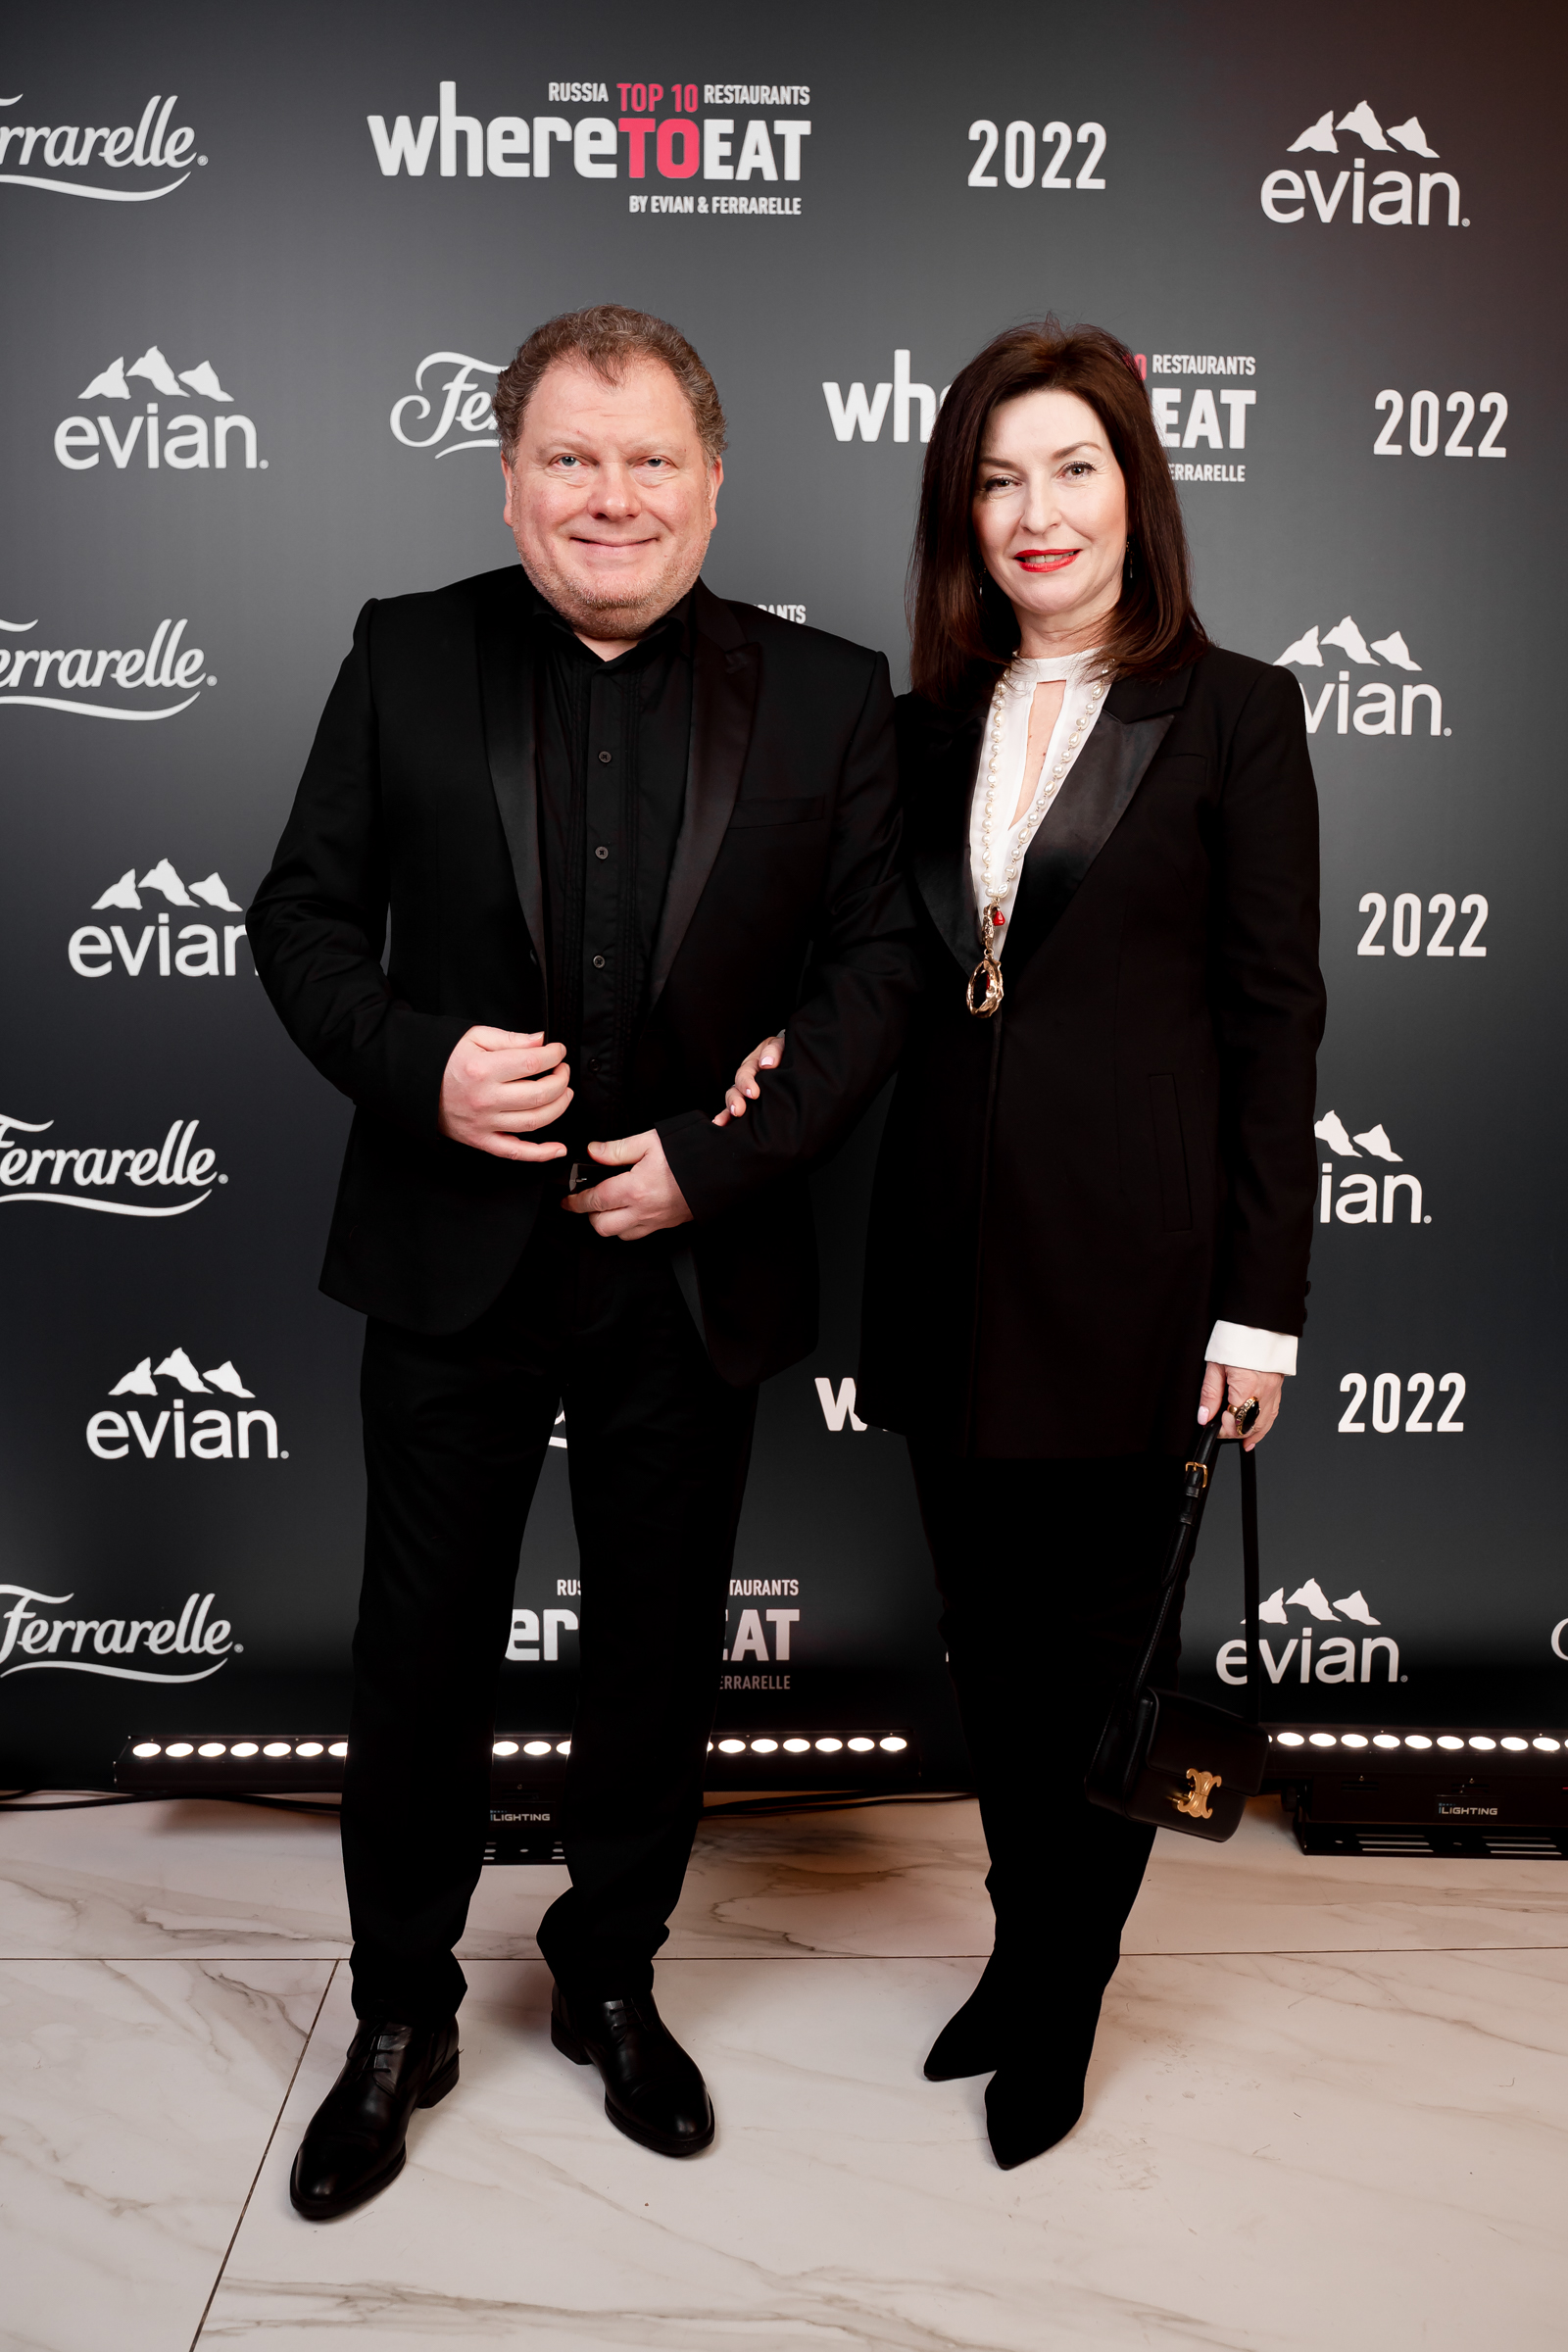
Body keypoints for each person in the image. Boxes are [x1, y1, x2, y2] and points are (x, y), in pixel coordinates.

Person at [248, 305, 918, 2219]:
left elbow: (879, 968)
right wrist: (423, 1069)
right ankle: (401, 2012)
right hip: (446, 1256)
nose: (608, 495)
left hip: (686, 1272)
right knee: (417, 1655)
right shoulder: (403, 654)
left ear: (710, 482)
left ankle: (609, 1975)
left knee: (652, 1652)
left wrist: (716, 1163)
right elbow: (299, 922)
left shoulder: (828, 694)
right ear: (510, 481)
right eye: (568, 457)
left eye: (646, 460)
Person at [722, 319, 1324, 2171]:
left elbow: (1275, 1025)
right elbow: (884, 972)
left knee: (1100, 1665)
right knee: (987, 1649)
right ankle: (1018, 1943)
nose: (1036, 510)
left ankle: (1066, 1990)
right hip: (945, 1264)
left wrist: (1262, 1310)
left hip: (1140, 1283)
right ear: (959, 515)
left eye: (1073, 468)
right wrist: (780, 1049)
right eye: (997, 479)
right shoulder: (920, 731)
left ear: (1137, 490)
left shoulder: (1235, 713)